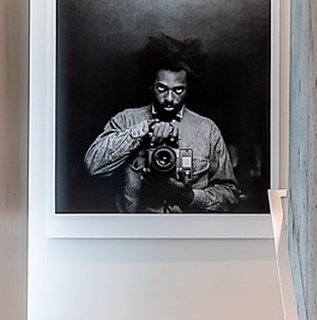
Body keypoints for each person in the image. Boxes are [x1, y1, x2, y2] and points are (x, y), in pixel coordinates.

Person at [81, 35, 243, 213]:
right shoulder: (126, 120)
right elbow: (93, 165)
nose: (169, 99)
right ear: (151, 84)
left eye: (178, 90)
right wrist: (142, 130)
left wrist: (190, 197)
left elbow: (230, 194)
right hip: (136, 233)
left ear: (188, 87)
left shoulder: (207, 129)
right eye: (162, 88)